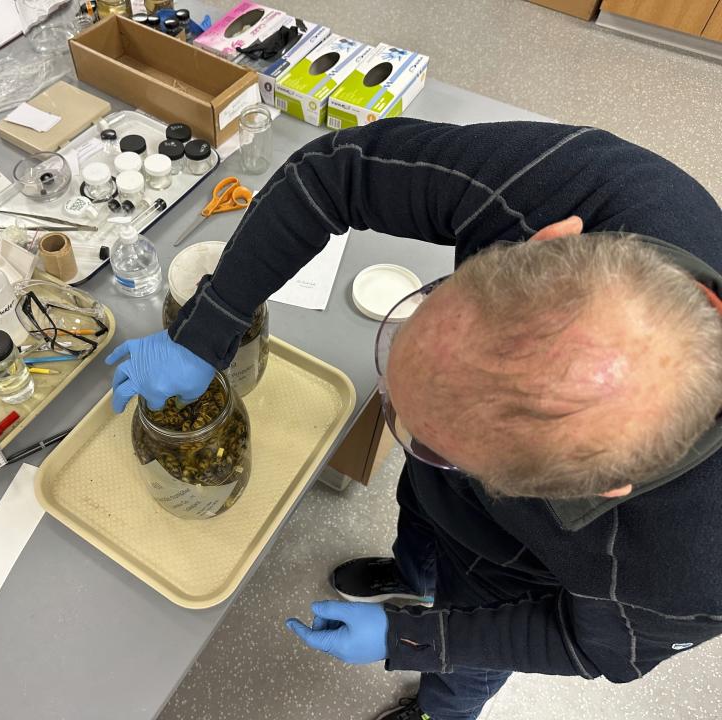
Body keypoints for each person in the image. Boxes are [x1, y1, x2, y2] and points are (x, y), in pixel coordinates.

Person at [106, 118, 722, 720]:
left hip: (512, 580)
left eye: (440, 445)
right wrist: (204, 332)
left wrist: (414, 639)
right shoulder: (595, 187)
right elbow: (335, 174)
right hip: (456, 501)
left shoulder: (692, 566)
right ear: (548, 242)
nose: (397, 422)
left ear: (603, 488)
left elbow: (587, 644)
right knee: (422, 515)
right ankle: (412, 575)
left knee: (458, 677)